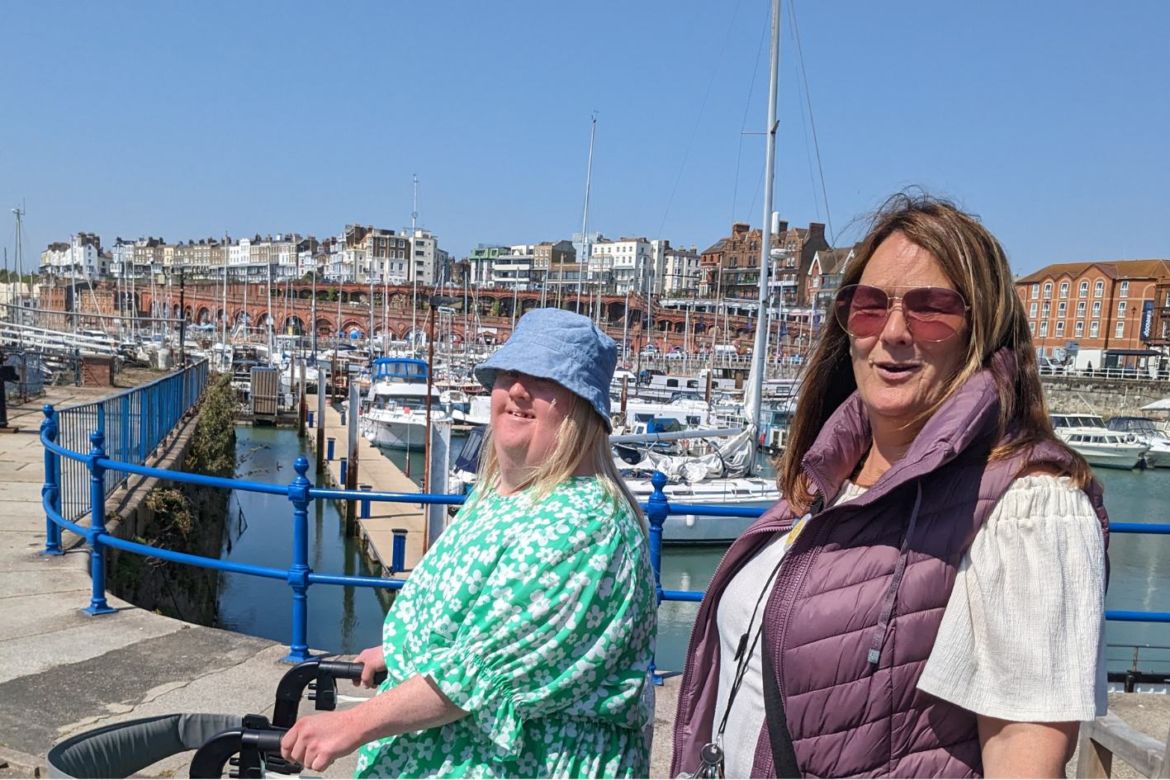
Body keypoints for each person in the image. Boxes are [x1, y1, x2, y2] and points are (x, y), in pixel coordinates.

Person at [673, 193, 1109, 778]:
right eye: (870, 306)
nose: (894, 332)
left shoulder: (1029, 506)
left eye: (931, 308)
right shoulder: (826, 479)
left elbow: (1021, 758)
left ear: (981, 329)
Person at [281, 308, 657, 777]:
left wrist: (352, 725)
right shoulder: (508, 494)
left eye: (544, 380)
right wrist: (402, 652)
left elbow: (478, 676)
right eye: (510, 372)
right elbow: (473, 617)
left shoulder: (587, 528)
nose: (518, 389)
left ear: (584, 408)